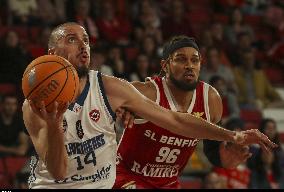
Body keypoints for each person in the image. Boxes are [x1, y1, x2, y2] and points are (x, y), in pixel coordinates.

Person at [22, 23, 276, 189]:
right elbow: (57, 172)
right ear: (52, 51)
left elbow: (181, 124)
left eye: (86, 40)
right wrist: (55, 124)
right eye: (71, 39)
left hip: (158, 182)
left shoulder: (113, 89)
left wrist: (232, 140)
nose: (83, 45)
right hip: (121, 179)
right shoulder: (35, 104)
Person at [114, 36, 269, 189]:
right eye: (181, 59)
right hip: (126, 176)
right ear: (165, 65)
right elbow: (107, 97)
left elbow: (213, 149)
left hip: (168, 183)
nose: (189, 65)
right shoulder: (146, 92)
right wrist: (120, 107)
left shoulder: (211, 99)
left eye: (194, 60)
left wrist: (224, 160)